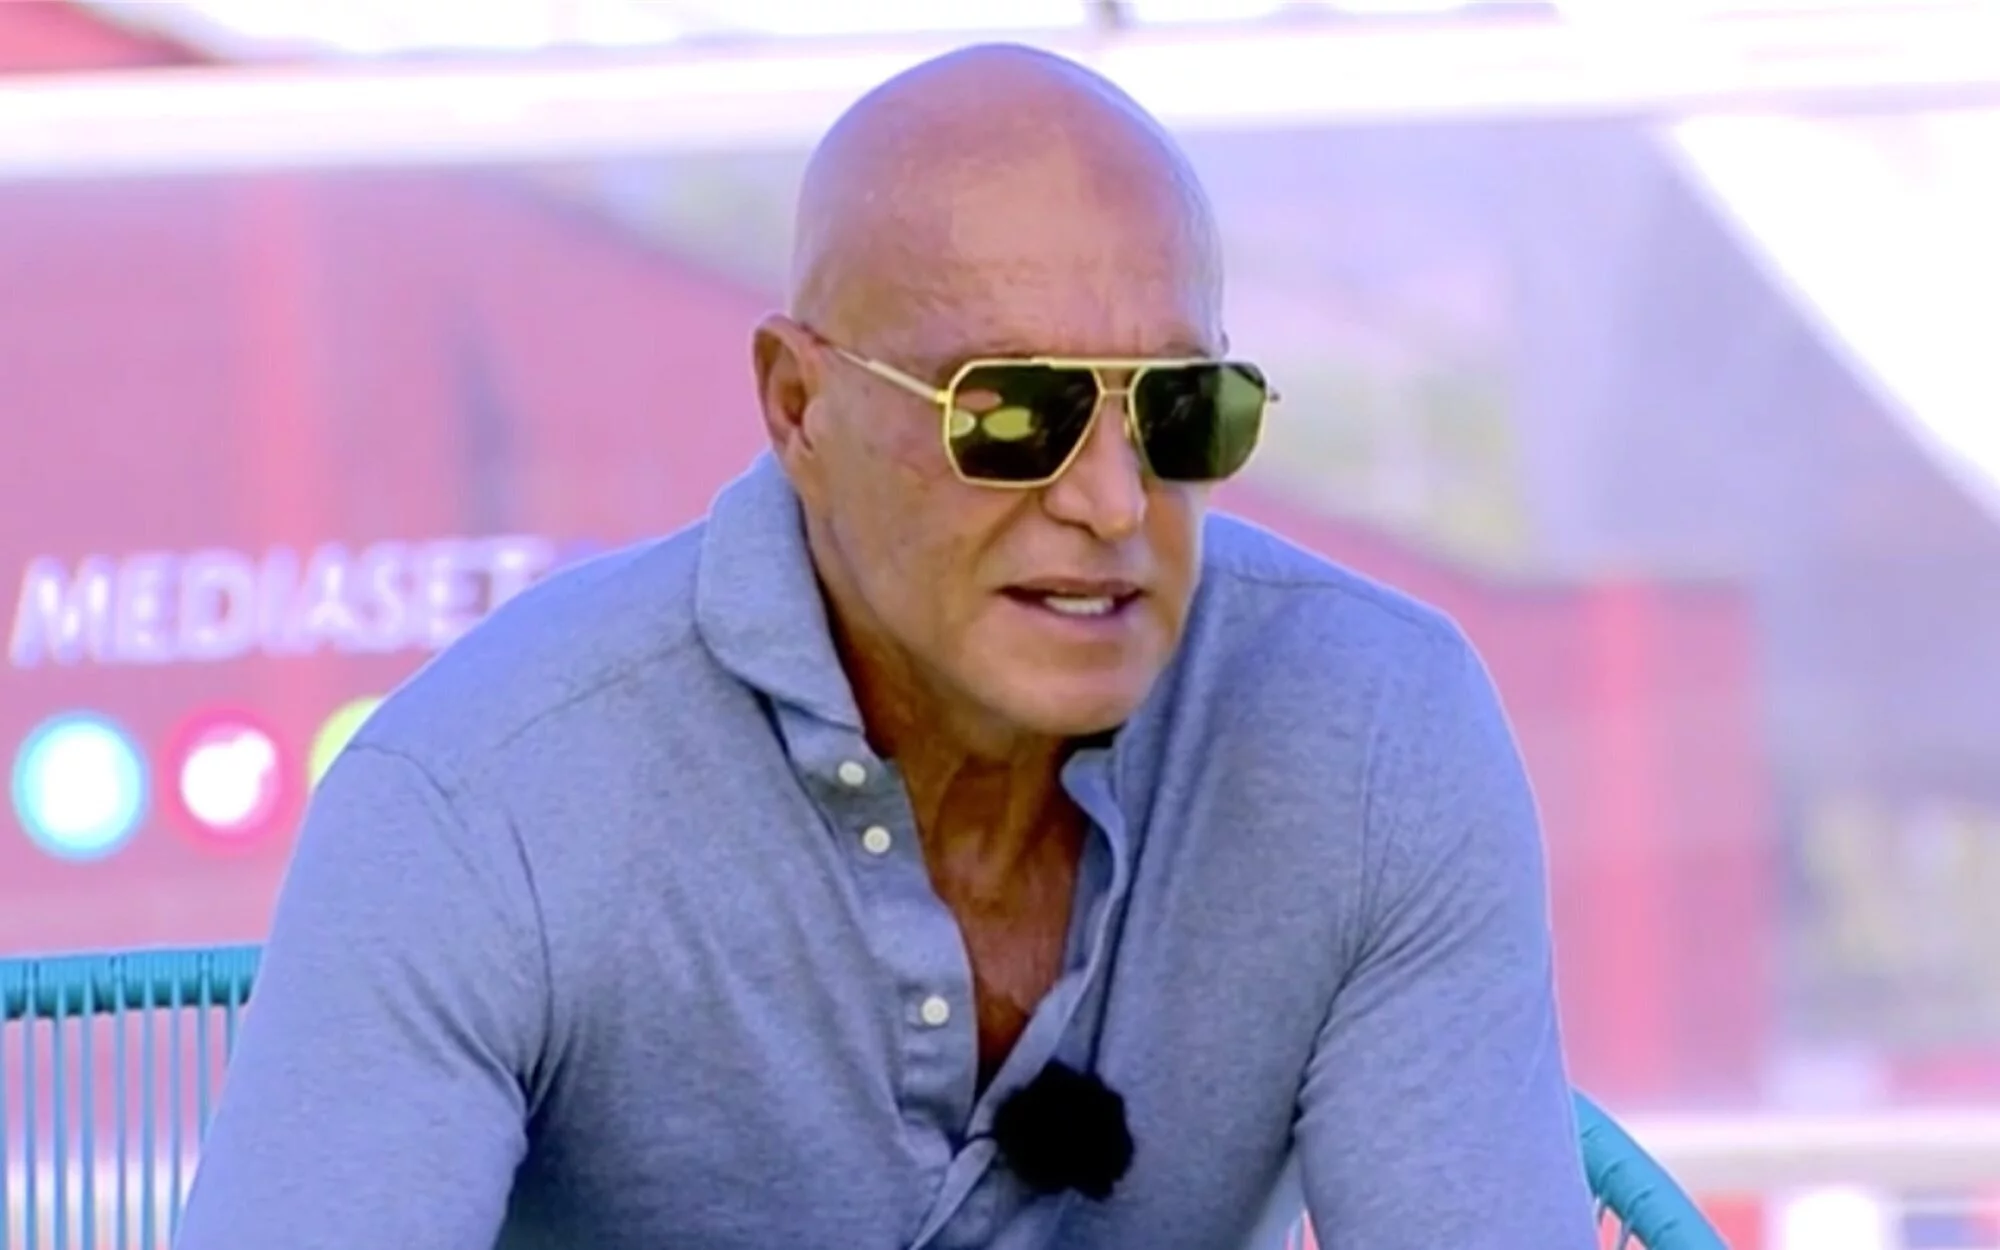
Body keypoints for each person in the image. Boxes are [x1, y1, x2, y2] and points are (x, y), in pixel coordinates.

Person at [173, 42, 1598, 1250]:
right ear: (799, 407)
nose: (1113, 503)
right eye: (1013, 412)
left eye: (1181, 411)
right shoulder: (480, 798)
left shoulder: (1378, 735)